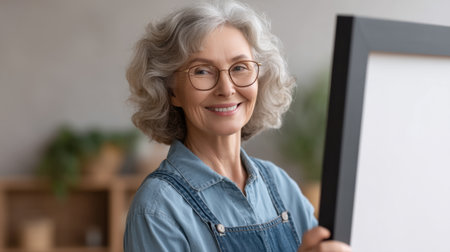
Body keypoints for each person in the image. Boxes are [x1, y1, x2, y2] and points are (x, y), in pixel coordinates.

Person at [124, 1, 351, 251]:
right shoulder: (158, 208)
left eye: (240, 67)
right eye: (202, 71)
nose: (226, 88)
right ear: (171, 91)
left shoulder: (279, 185)